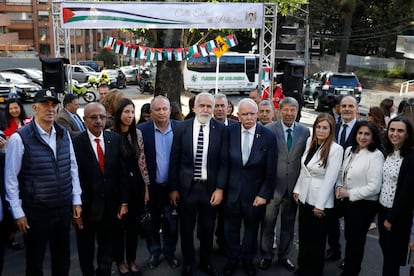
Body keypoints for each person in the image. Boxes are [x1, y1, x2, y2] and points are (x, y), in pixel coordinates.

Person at [5, 89, 82, 276]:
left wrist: (76, 200)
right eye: (45, 104)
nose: (50, 109)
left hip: (62, 209)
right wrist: (18, 212)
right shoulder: (20, 138)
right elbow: (11, 179)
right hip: (35, 212)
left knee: (62, 260)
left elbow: (72, 167)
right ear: (34, 108)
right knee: (35, 262)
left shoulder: (63, 134)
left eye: (53, 105)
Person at [169, 92, 227, 276]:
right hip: (187, 189)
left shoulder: (221, 129)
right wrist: (173, 188)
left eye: (209, 106)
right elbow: (174, 159)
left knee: (208, 228)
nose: (206, 109)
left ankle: (205, 261)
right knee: (186, 229)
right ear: (193, 108)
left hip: (210, 189)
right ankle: (188, 263)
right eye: (202, 105)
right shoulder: (181, 128)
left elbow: (224, 162)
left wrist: (220, 188)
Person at [222, 98, 277, 276]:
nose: (249, 118)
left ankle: (248, 261)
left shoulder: (268, 136)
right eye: (244, 114)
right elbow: (223, 164)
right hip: (232, 194)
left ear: (258, 114)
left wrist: (263, 194)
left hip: (255, 196)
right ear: (238, 116)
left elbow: (271, 170)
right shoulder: (229, 132)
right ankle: (232, 260)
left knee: (251, 232)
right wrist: (221, 189)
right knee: (231, 230)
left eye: (253, 114)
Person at [72, 102, 127, 276]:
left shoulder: (115, 139)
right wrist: (75, 206)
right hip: (86, 209)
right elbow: (73, 177)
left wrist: (124, 202)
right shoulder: (75, 142)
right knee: (86, 249)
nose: (98, 121)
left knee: (107, 248)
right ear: (84, 119)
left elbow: (122, 173)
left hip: (110, 208)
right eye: (93, 117)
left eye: (102, 117)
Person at [259, 97, 310, 272]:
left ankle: (283, 256)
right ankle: (266, 255)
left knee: (288, 225)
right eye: (286, 110)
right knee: (268, 224)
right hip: (273, 187)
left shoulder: (305, 132)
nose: (289, 113)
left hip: (293, 188)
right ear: (280, 111)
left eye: (293, 110)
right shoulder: (268, 130)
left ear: (297, 112)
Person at [293, 113, 343, 276]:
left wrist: (319, 205)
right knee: (304, 236)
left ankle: (313, 271)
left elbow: (330, 180)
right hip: (305, 198)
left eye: (325, 128)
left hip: (319, 202)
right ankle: (303, 268)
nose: (321, 131)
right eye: (318, 127)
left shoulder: (336, 149)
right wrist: (297, 189)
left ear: (331, 130)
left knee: (317, 241)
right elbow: (304, 170)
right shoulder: (310, 142)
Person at [335, 121, 385, 276]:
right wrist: (338, 186)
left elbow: (374, 187)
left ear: (373, 136)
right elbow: (341, 172)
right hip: (347, 201)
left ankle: (351, 271)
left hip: (364, 205)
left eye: (367, 134)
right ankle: (348, 263)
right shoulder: (350, 150)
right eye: (360, 133)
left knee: (356, 243)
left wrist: (348, 193)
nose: (362, 137)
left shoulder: (376, 155)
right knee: (350, 238)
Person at [138, 96, 181, 270]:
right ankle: (154, 252)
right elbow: (139, 161)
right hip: (152, 188)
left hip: (173, 188)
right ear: (151, 112)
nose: (161, 112)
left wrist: (176, 187)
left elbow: (184, 161)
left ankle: (170, 252)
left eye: (165, 109)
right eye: (157, 109)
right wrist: (145, 188)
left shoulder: (180, 129)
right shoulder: (142, 130)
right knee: (153, 223)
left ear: (170, 110)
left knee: (172, 224)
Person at [112, 98, 150, 276]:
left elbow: (142, 162)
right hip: (118, 188)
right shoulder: (110, 135)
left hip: (137, 186)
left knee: (134, 227)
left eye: (131, 112)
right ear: (118, 114)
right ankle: (119, 261)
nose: (129, 116)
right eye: (126, 112)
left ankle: (132, 259)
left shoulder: (138, 134)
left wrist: (147, 187)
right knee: (119, 228)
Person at [378, 116, 414, 276]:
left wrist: (391, 219)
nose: (395, 134)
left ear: (407, 134)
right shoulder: (389, 152)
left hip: (396, 216)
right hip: (383, 209)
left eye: (400, 131)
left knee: (391, 260)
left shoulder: (411, 158)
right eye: (392, 130)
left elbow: (407, 193)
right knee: (387, 254)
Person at [326, 96, 358, 263]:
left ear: (356, 109)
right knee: (331, 220)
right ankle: (335, 249)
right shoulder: (335, 127)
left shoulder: (362, 129)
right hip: (334, 183)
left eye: (350, 106)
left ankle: (350, 257)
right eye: (343, 106)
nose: (346, 109)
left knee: (352, 227)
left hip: (353, 186)